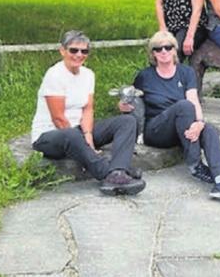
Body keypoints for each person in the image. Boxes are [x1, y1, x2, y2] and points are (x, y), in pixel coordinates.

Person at [129, 31, 220, 203]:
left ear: (175, 50)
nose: (164, 52)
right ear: (153, 53)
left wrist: (199, 123)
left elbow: (193, 100)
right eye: (158, 49)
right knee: (183, 106)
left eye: (168, 47)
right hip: (156, 130)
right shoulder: (144, 76)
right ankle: (195, 164)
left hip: (182, 128)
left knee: (209, 129)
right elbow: (134, 104)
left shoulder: (186, 72)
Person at [31, 31, 146, 196]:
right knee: (70, 134)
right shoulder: (54, 75)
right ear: (62, 51)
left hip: (78, 131)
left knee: (127, 121)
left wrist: (88, 139)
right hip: (52, 135)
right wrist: (87, 150)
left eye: (84, 51)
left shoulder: (88, 75)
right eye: (73, 50)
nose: (79, 55)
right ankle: (107, 173)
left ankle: (119, 170)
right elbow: (58, 118)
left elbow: (87, 108)